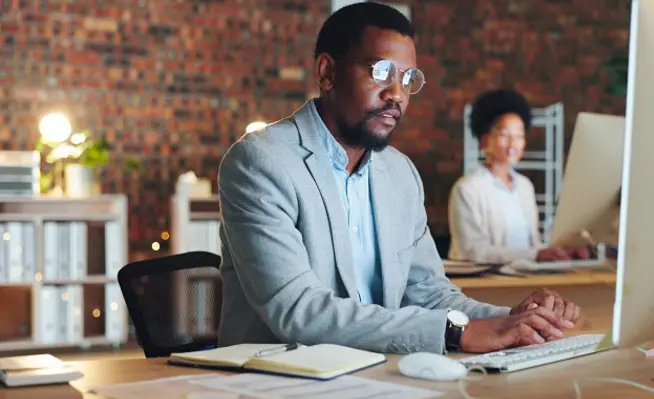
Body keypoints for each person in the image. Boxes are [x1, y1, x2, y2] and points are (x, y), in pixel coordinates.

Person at [217, 3, 580, 355]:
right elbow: (298, 310)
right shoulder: (261, 161)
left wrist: (517, 320)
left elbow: (430, 295)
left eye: (408, 79)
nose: (396, 94)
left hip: (375, 374)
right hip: (278, 378)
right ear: (327, 72)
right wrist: (455, 334)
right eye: (380, 72)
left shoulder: (400, 173)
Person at [448, 89, 590, 264]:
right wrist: (535, 255)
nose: (513, 143)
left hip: (525, 275)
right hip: (486, 281)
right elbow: (473, 250)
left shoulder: (524, 186)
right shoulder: (467, 189)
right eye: (504, 134)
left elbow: (533, 244)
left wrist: (560, 251)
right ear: (484, 139)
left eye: (519, 135)